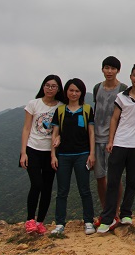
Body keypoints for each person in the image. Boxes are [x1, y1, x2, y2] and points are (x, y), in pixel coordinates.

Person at [97, 63, 135, 233]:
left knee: (132, 181)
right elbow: (114, 119)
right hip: (119, 142)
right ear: (130, 76)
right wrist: (110, 141)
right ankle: (108, 218)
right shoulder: (121, 96)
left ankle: (126, 213)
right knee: (113, 182)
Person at [50, 78, 96, 235]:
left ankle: (88, 222)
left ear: (81, 93)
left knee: (85, 190)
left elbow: (91, 133)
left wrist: (92, 154)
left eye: (77, 91)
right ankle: (59, 224)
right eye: (71, 90)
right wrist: (53, 155)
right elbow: (55, 133)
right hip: (63, 155)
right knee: (62, 191)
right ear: (66, 92)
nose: (74, 93)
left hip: (82, 154)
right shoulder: (60, 111)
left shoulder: (87, 109)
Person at [20, 75, 64, 235]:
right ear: (43, 87)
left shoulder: (61, 107)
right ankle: (30, 220)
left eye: (53, 86)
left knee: (47, 188)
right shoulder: (34, 104)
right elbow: (26, 128)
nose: (50, 89)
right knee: (37, 184)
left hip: (50, 152)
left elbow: (62, 129)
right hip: (32, 148)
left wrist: (59, 137)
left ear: (58, 89)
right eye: (47, 85)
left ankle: (40, 222)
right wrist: (23, 152)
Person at [92, 56, 127, 226]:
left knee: (115, 177)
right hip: (96, 138)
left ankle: (116, 211)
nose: (109, 71)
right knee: (100, 176)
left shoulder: (123, 89)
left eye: (113, 68)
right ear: (102, 69)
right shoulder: (97, 88)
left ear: (118, 70)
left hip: (114, 139)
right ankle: (105, 211)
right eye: (106, 68)